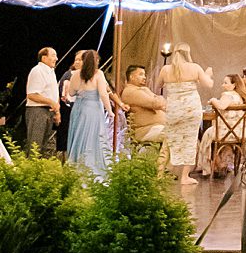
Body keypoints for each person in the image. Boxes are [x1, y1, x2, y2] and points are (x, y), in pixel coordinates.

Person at [159, 44, 212, 193]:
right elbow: (208, 84)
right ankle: (184, 176)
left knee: (171, 140)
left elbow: (158, 86)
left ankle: (162, 171)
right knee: (189, 140)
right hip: (191, 109)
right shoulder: (194, 68)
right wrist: (207, 73)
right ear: (187, 53)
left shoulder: (165, 70)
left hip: (173, 109)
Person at [64, 48, 112, 177]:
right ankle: (91, 166)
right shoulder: (98, 74)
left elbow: (71, 93)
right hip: (93, 109)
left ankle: (76, 164)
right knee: (93, 137)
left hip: (79, 108)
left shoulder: (75, 75)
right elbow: (103, 94)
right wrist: (110, 111)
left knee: (79, 136)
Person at [117, 62, 166, 153]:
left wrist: (158, 100)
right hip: (145, 130)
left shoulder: (143, 89)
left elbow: (163, 105)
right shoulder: (130, 92)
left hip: (156, 127)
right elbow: (156, 104)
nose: (144, 77)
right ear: (131, 77)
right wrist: (160, 98)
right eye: (141, 74)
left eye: (144, 74)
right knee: (175, 133)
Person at [24, 46, 61, 155]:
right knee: (35, 145)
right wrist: (51, 102)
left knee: (44, 146)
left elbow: (53, 93)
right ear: (44, 58)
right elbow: (31, 94)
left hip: (48, 112)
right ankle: (30, 170)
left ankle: (39, 170)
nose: (57, 58)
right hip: (37, 111)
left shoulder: (51, 72)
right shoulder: (37, 71)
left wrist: (57, 112)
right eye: (53, 55)